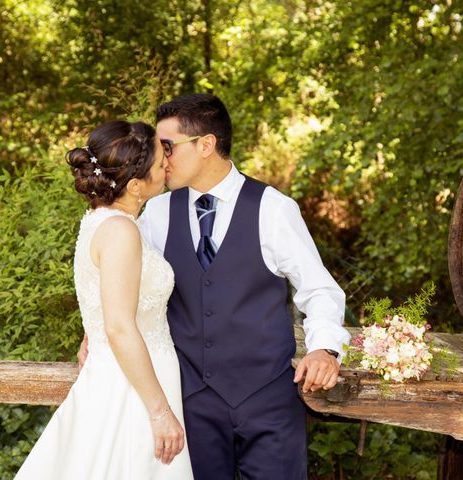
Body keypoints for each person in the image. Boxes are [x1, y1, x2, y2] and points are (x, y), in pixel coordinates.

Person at [136, 93, 351, 479]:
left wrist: (323, 349)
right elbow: (132, 290)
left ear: (206, 145)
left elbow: (319, 291)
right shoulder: (156, 212)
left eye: (167, 146)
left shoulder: (273, 207)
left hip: (267, 400)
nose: (160, 157)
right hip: (190, 405)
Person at [15, 120, 194, 479]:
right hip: (133, 389)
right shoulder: (120, 231)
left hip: (131, 373)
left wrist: (91, 332)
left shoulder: (101, 221)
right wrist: (159, 411)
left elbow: (107, 302)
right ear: (135, 185)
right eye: (161, 164)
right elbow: (119, 326)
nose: (168, 166)